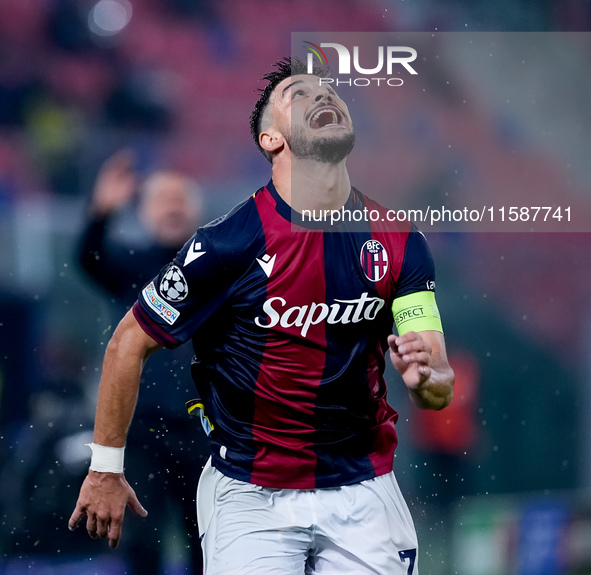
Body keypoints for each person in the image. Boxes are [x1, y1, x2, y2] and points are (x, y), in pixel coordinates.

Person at [69, 57, 455, 575]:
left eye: (329, 93)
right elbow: (127, 342)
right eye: (299, 94)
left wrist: (428, 376)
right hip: (251, 494)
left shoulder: (402, 242)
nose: (324, 97)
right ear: (271, 140)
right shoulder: (227, 244)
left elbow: (436, 386)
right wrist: (105, 468)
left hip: (364, 488)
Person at [75, 152, 207, 575]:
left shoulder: (218, 266)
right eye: (162, 199)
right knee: (141, 541)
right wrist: (100, 214)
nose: (172, 207)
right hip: (141, 428)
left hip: (203, 427)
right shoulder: (131, 265)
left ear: (197, 209)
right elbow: (88, 259)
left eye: (179, 198)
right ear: (145, 211)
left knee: (208, 538)